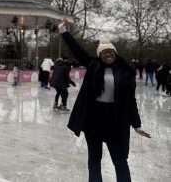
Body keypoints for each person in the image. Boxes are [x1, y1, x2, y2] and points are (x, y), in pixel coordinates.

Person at [59, 19, 151, 182]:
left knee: (120, 160)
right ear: (99, 55)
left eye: (111, 53)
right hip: (93, 118)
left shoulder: (125, 71)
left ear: (115, 53)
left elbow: (130, 101)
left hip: (115, 120)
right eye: (104, 53)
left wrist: (136, 125)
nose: (108, 56)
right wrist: (63, 31)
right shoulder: (93, 65)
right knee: (94, 159)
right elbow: (77, 50)